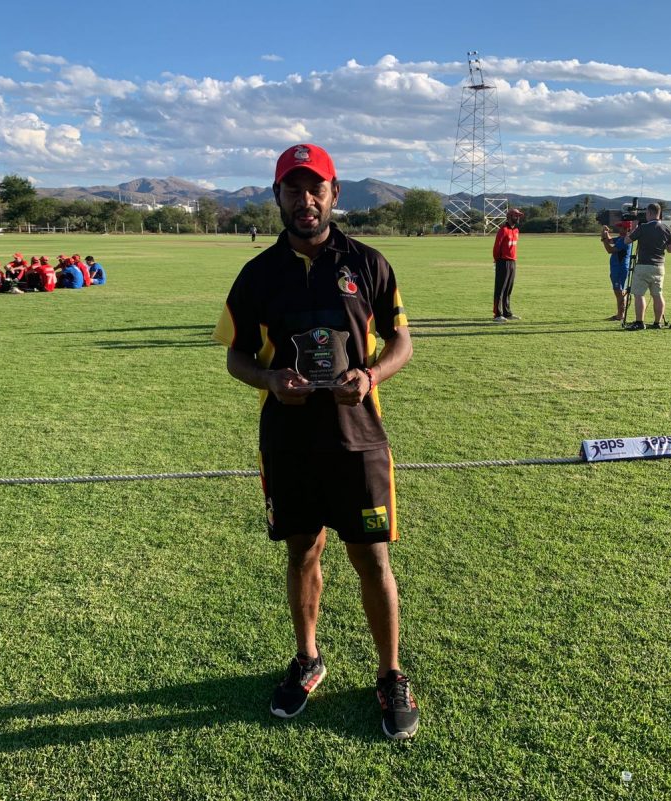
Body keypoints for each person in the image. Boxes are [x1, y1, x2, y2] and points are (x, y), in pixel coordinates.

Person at [213, 143, 418, 740]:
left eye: (316, 188)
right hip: (288, 440)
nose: (305, 200)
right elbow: (235, 356)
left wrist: (371, 376)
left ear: (334, 194)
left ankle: (391, 674)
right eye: (293, 189)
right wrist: (271, 380)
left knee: (371, 557)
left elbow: (402, 342)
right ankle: (308, 659)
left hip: (359, 438)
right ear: (277, 196)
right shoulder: (258, 274)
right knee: (302, 551)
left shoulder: (368, 263)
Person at [623, 203, 671, 330]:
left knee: (639, 295)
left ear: (650, 213)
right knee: (657, 295)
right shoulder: (667, 228)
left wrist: (634, 227)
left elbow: (627, 241)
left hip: (643, 265)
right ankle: (657, 323)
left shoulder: (643, 227)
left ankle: (639, 322)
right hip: (659, 267)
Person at [492, 208, 524, 322]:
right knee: (500, 288)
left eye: (519, 216)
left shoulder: (516, 230)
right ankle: (497, 314)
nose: (518, 218)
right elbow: (496, 247)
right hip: (503, 261)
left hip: (512, 261)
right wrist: (497, 260)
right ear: (509, 217)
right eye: (516, 216)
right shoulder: (503, 230)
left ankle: (507, 312)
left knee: (508, 289)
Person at [600, 221, 633, 321]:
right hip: (616, 269)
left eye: (621, 227)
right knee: (619, 292)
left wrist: (604, 239)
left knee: (619, 292)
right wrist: (605, 233)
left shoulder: (625, 240)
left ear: (627, 229)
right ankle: (620, 314)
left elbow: (610, 250)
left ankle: (620, 315)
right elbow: (610, 241)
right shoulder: (620, 238)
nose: (619, 229)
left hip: (620, 269)